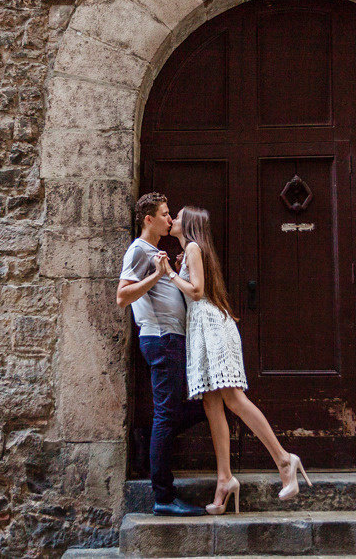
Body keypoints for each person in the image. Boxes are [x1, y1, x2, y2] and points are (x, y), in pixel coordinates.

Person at [160, 205, 312, 515]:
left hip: (212, 327)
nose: (172, 220)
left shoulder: (191, 246)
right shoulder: (190, 250)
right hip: (203, 328)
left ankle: (284, 459)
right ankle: (224, 479)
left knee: (231, 398)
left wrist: (170, 275)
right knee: (211, 403)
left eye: (177, 216)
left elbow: (198, 291)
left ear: (188, 224)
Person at [116, 192, 207, 516]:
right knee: (174, 413)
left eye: (171, 214)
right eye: (165, 214)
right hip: (161, 338)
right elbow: (122, 296)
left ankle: (148, 435)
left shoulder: (155, 251)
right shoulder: (139, 250)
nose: (170, 220)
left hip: (171, 339)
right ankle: (164, 497)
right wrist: (157, 275)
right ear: (149, 220)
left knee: (171, 413)